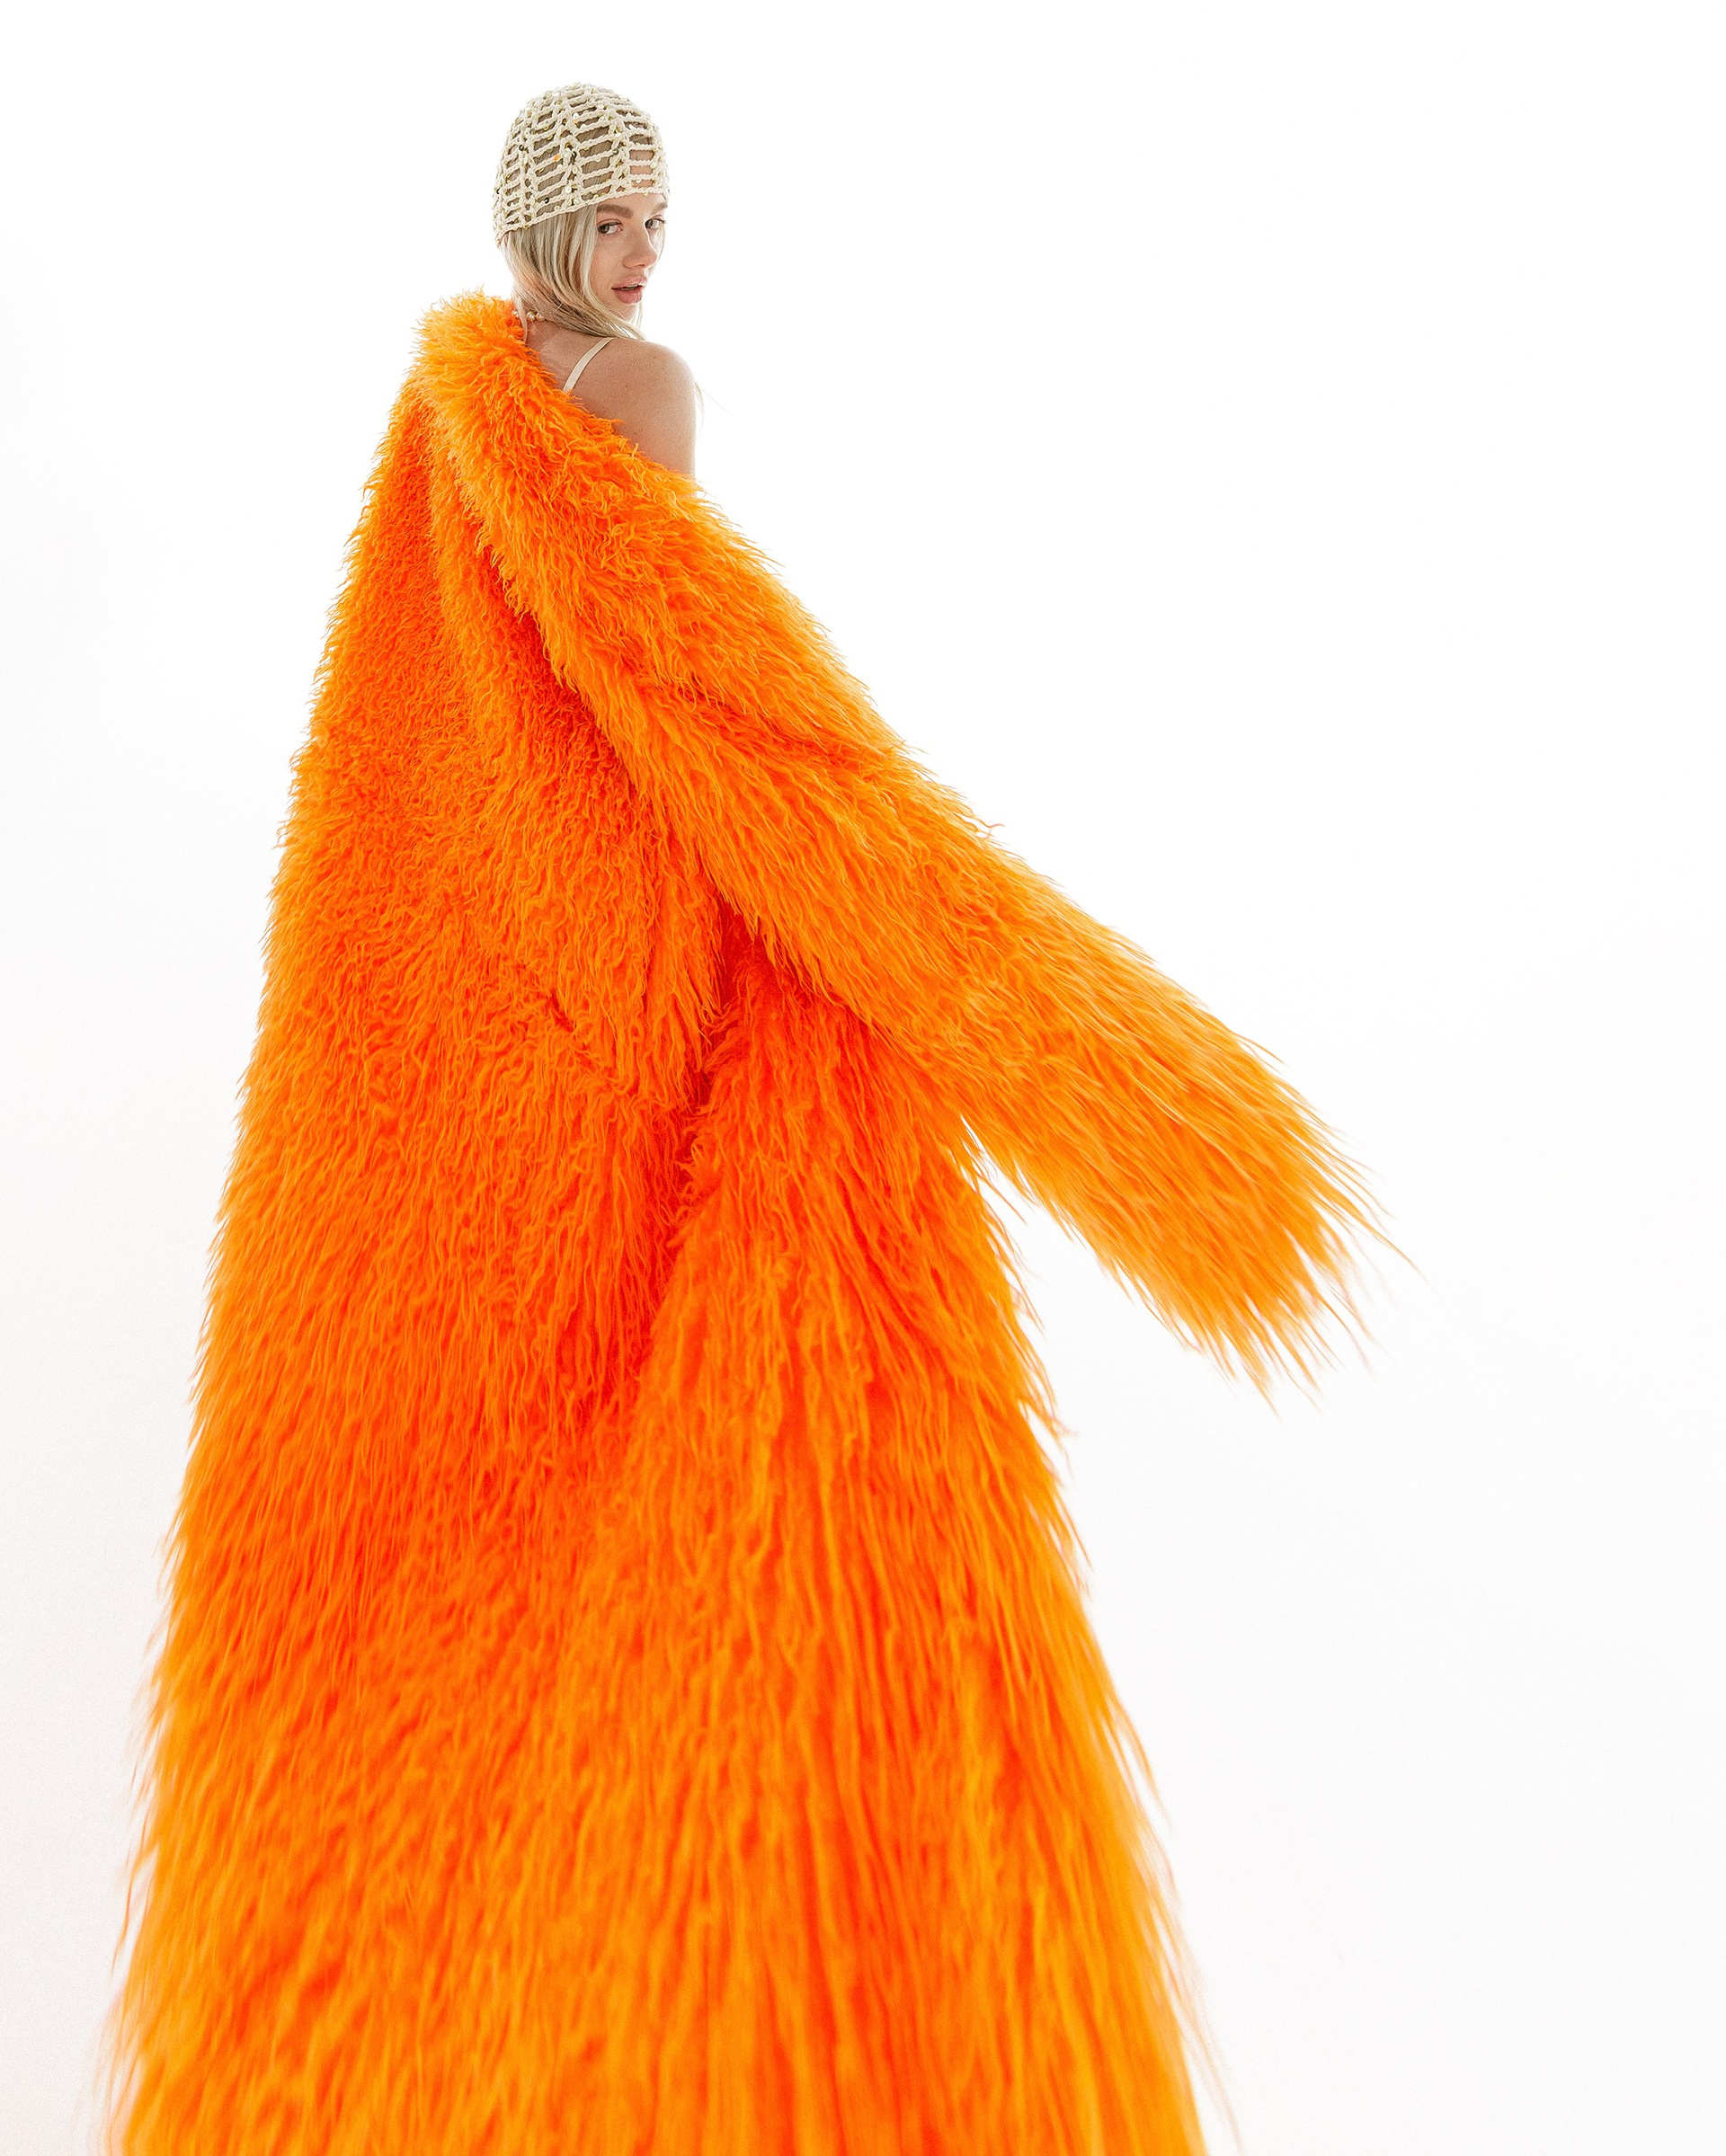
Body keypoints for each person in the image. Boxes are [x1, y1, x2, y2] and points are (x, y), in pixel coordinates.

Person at [106, 81, 1374, 2156]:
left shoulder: (450, 410)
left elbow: (419, 736)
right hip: (618, 960)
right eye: (616, 216)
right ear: (546, 218)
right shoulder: (630, 394)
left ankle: (441, 2048)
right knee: (660, 1478)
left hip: (475, 990)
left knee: (481, 1551)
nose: (646, 253)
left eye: (659, 217)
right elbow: (697, 697)